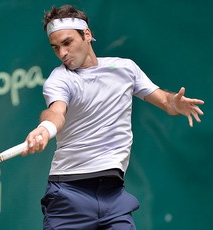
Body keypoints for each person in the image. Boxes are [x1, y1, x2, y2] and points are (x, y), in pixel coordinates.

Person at [22, 4, 204, 230]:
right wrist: (46, 128)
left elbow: (166, 102)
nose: (62, 53)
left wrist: (174, 103)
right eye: (55, 47)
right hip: (69, 195)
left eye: (67, 43)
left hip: (114, 196)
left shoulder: (125, 68)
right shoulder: (59, 79)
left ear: (87, 34)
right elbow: (56, 112)